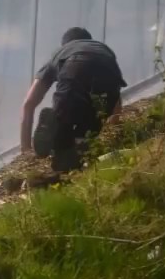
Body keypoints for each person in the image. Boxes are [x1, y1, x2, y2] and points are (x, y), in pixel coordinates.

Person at [18, 27, 126, 172]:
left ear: (65, 43)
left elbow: (29, 103)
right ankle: (80, 143)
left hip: (74, 70)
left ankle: (55, 126)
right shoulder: (102, 49)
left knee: (64, 121)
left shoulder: (61, 52)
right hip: (109, 81)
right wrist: (114, 124)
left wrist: (25, 148)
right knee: (90, 127)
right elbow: (116, 94)